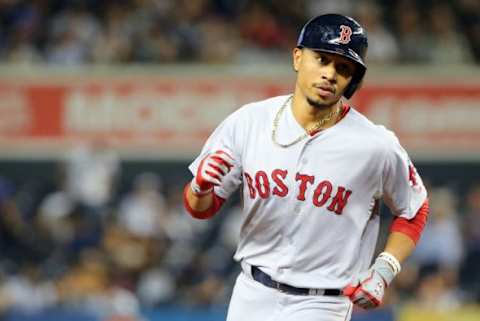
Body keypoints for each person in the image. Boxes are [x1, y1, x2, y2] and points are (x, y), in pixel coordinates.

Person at [183, 14, 429, 321]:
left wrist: (384, 269)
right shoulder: (249, 121)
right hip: (251, 293)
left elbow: (415, 209)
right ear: (298, 57)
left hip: (322, 304)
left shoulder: (376, 144)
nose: (330, 74)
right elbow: (201, 209)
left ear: (352, 79)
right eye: (322, 59)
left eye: (343, 68)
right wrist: (200, 187)